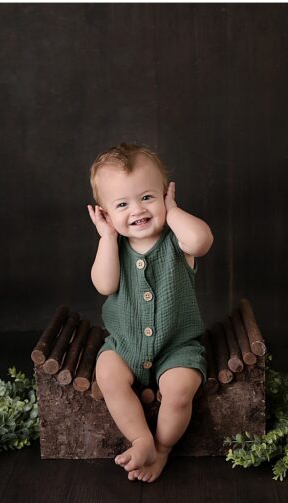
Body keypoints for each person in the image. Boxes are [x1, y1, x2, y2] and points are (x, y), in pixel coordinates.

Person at [86, 143, 213, 482]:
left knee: (180, 390)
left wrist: (172, 212)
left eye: (147, 197)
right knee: (108, 375)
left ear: (165, 194)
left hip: (177, 347)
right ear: (105, 214)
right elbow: (104, 283)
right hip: (124, 346)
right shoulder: (114, 248)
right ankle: (141, 439)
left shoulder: (179, 241)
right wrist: (106, 239)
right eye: (122, 204)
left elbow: (202, 240)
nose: (137, 210)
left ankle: (163, 447)